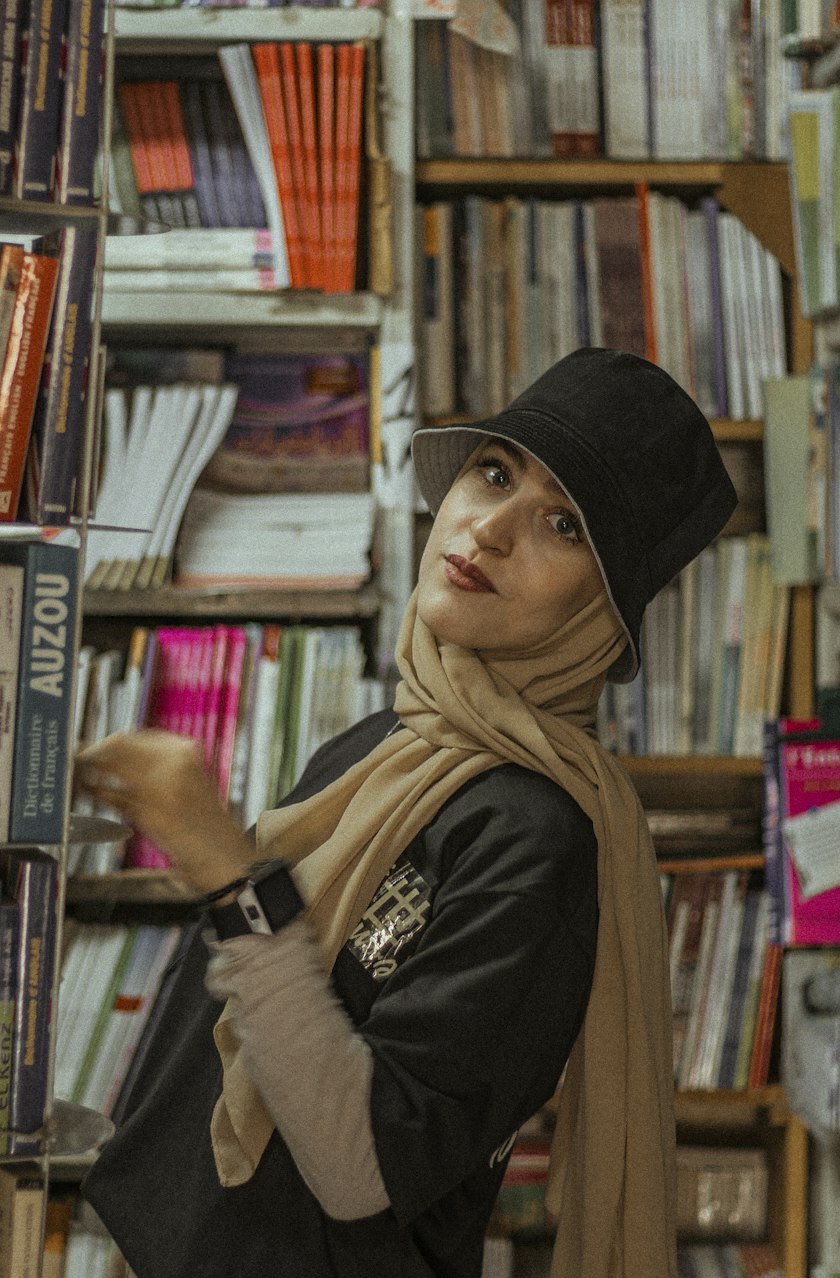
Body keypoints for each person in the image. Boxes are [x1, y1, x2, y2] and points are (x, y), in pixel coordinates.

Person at [74, 347, 738, 1278]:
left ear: (603, 613)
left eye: (563, 524)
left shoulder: (536, 838)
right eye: (494, 472)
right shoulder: (383, 745)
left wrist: (230, 875)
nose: (492, 529)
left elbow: (364, 1166)